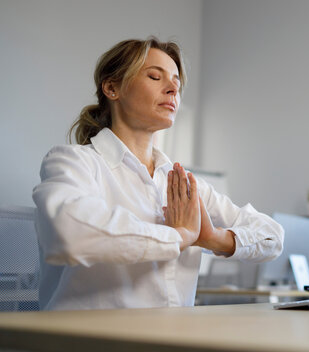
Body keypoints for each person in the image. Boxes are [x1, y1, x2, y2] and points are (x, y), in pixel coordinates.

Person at [32, 37, 284, 311]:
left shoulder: (184, 184)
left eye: (176, 81)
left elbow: (272, 236)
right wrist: (179, 237)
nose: (173, 87)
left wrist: (212, 238)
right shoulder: (73, 162)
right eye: (155, 76)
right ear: (112, 87)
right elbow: (69, 233)